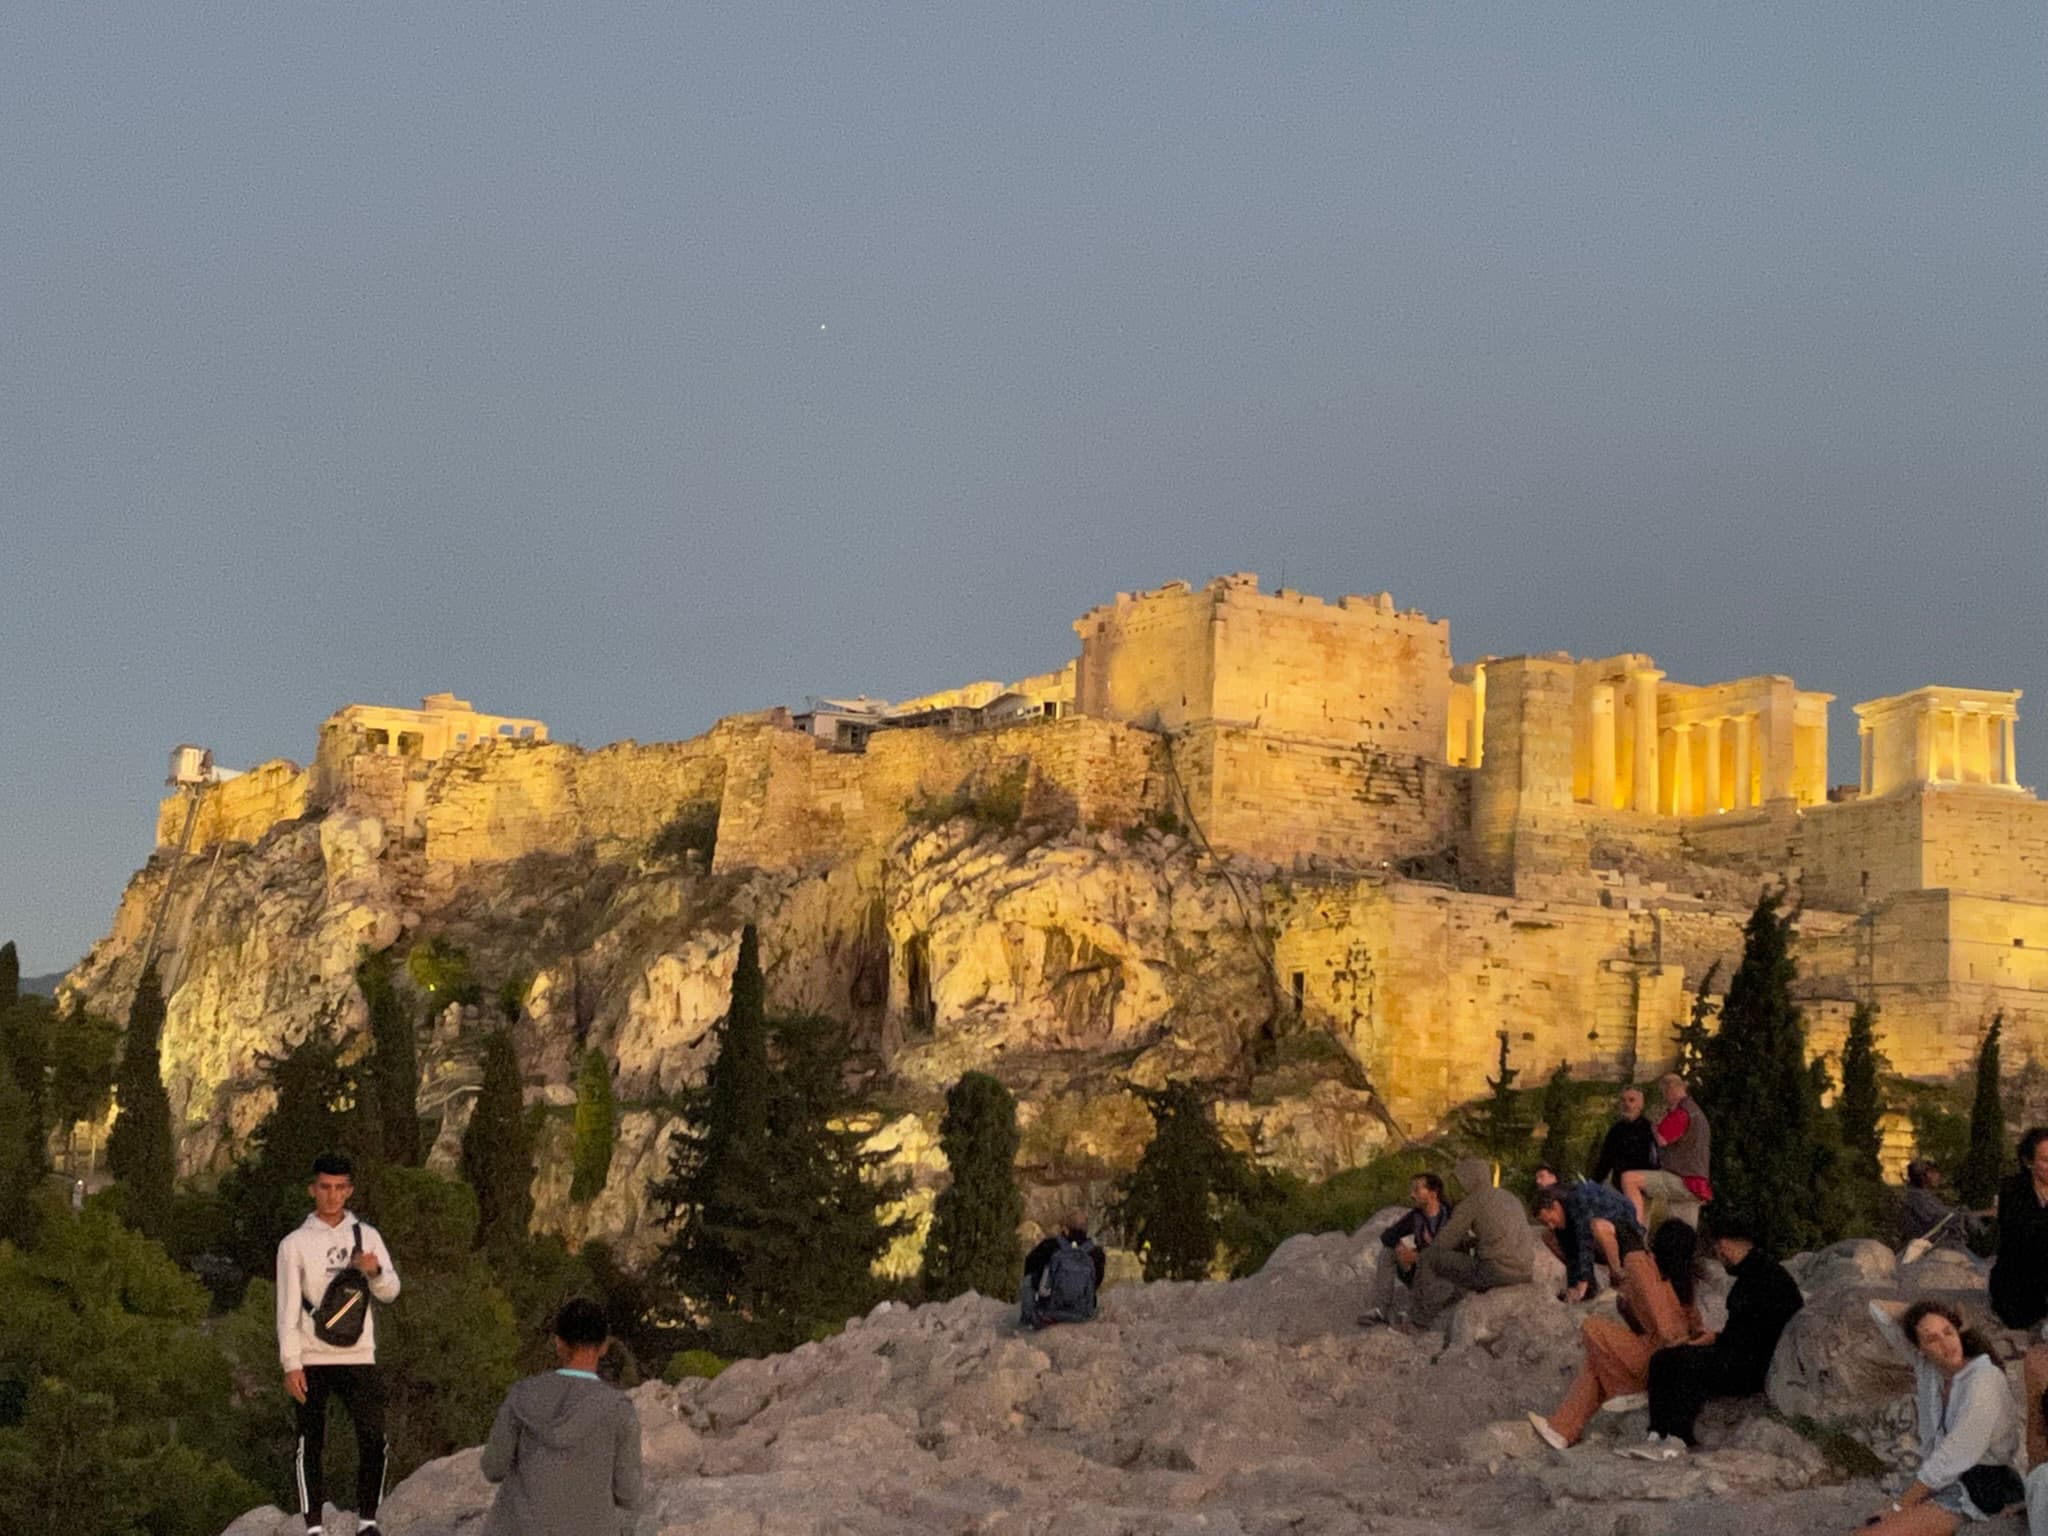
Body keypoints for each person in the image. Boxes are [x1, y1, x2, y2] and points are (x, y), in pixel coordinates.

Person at [276, 1152, 401, 1536]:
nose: (332, 1196)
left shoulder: (367, 1236)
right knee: (310, 1443)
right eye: (324, 1188)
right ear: (313, 1189)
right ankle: (313, 1525)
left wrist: (375, 1270)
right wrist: (290, 1363)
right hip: (311, 1357)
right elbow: (287, 1306)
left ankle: (367, 1520)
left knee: (372, 1437)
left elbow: (391, 1291)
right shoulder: (294, 1244)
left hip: (358, 1355)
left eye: (339, 1188)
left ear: (349, 1190)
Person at [1625, 1211, 1802, 1459]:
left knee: (1690, 1364)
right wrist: (1715, 1339)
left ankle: (1677, 1437)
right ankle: (1656, 1434)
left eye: (1718, 1247)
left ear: (1724, 1244)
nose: (1718, 1255)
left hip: (1756, 1365)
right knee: (1663, 1359)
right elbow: (1744, 1330)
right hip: (1742, 1353)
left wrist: (1716, 1342)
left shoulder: (1763, 1277)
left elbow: (1754, 1337)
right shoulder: (1757, 1272)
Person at [1529, 1219, 1703, 1450]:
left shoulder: (1644, 1265)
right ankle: (1561, 1430)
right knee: (1595, 1364)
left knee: (1592, 1326)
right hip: (1662, 1354)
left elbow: (1666, 1330)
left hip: (1659, 1360)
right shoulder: (1683, 1279)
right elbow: (1675, 1325)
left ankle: (1626, 1389)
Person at [481, 1297, 643, 1536]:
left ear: (558, 1343)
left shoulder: (522, 1395)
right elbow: (629, 1493)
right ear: (604, 1345)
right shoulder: (619, 1410)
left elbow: (493, 1468)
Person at [1857, 1299, 2022, 1533]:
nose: (1946, 1344)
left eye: (1949, 1332)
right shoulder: (1929, 1369)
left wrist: (1897, 1507)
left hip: (1982, 1487)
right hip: (1943, 1481)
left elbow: (1954, 1455)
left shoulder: (1983, 1380)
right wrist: (1922, 1315)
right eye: (1932, 1339)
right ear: (1918, 1348)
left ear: (1959, 1332)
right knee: (1865, 1530)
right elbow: (1877, 1308)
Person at [1408, 1158, 1535, 1329]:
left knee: (1429, 1258)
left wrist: (1422, 1249)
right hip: (1525, 1272)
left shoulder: (1472, 1202)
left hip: (1497, 1273)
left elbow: (1442, 1244)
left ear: (1469, 1179)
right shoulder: (1509, 1196)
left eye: (1460, 1181)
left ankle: (1418, 1320)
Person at [1359, 1172, 1453, 1327]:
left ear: (1433, 1193)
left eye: (1417, 1190)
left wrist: (1417, 1257)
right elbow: (1388, 1234)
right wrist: (1399, 1247)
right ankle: (1381, 1309)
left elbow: (1454, 1253)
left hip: (1442, 1275)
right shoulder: (1417, 1216)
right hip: (1420, 1272)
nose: (1411, 1195)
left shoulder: (1451, 1215)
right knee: (1387, 1252)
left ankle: (1419, 1312)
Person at [1621, 1073, 1713, 1226]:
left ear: (1670, 1089)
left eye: (1663, 1093)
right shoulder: (1697, 1112)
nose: (1664, 1098)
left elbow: (1662, 1139)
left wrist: (1654, 1125)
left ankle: (1636, 1233)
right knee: (1680, 1234)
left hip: (1683, 1179)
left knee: (1629, 1179)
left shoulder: (1681, 1113)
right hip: (1698, 1183)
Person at [1534, 1180, 1646, 1303]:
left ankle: (1618, 1277)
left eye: (1550, 1220)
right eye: (1546, 1223)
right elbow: (1571, 1253)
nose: (1550, 1226)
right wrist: (1574, 1287)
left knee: (1596, 1226)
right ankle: (1590, 1288)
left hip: (1627, 1237)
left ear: (1555, 1206)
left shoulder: (1578, 1200)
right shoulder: (1562, 1215)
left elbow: (1584, 1242)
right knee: (1548, 1237)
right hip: (1602, 1242)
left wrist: (1581, 1285)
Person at [1990, 1129, 2048, 1332]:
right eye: (2046, 1160)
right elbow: (2020, 1234)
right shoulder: (2013, 1190)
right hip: (2018, 1279)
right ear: (2028, 1162)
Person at [1019, 1210, 1105, 1328]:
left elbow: (1029, 1267)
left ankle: (1025, 1323)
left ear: (1065, 1229)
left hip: (1050, 1313)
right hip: (1082, 1315)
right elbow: (1097, 1282)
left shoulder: (1049, 1246)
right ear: (1086, 1229)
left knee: (1028, 1280)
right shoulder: (1096, 1253)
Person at [1899, 1160, 1988, 1255]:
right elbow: (1945, 1218)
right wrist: (1984, 1213)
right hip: (1935, 1245)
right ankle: (1986, 1240)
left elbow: (1947, 1214)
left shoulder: (1922, 1194)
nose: (1938, 1176)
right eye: (1933, 1172)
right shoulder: (1918, 1197)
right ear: (1924, 1176)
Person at [1589, 1087, 1660, 1190]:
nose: (1627, 1104)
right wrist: (1593, 1184)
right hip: (1619, 1188)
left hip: (1643, 1187)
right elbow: (1605, 1160)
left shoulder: (1650, 1129)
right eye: (1623, 1100)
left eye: (1631, 1100)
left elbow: (1657, 1160)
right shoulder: (1615, 1130)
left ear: (1640, 1104)